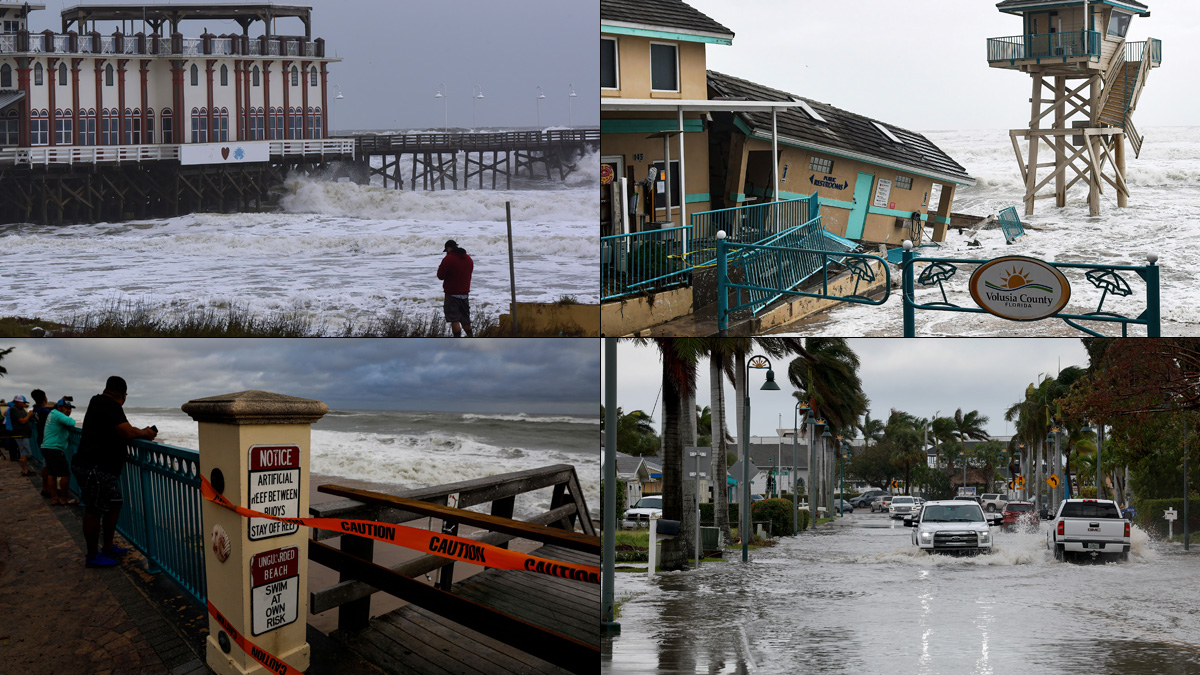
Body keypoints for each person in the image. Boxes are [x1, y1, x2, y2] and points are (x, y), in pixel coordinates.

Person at [72, 376, 157, 568]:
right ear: (124, 395)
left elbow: (119, 430)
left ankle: (108, 547)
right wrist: (146, 433)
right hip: (95, 468)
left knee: (115, 504)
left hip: (100, 469)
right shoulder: (110, 405)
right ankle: (93, 556)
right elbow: (128, 432)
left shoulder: (98, 401)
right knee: (93, 511)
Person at [41, 398, 79, 506]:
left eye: (70, 408)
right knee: (65, 474)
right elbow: (71, 422)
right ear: (59, 407)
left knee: (52, 474)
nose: (69, 411)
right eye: (66, 408)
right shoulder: (57, 414)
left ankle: (55, 498)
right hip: (54, 449)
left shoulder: (52, 414)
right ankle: (64, 498)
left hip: (46, 447)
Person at [437, 239, 474, 337]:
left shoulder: (449, 259)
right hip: (465, 293)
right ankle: (471, 338)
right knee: (465, 320)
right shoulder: (468, 258)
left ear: (448, 249)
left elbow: (440, 275)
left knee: (454, 319)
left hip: (452, 293)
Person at [5, 395, 36, 476]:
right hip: (20, 434)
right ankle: (25, 470)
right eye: (23, 403)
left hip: (24, 434)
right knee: (25, 452)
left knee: (23, 452)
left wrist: (31, 416)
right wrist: (29, 414)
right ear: (18, 402)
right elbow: (22, 421)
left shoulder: (21, 409)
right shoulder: (14, 409)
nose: (24, 404)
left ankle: (24, 470)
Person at [30, 389, 53, 496]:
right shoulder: (44, 411)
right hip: (47, 440)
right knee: (49, 466)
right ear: (45, 398)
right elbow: (53, 417)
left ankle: (45, 487)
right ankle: (48, 489)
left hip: (40, 438)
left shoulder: (35, 409)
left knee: (45, 464)